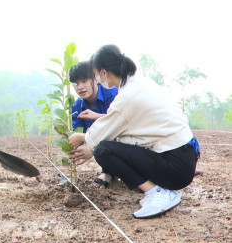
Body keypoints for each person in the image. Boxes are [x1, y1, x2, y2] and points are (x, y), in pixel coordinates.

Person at [68, 45, 200, 219]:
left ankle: (157, 193)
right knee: (109, 145)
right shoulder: (139, 83)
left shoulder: (126, 96)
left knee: (103, 150)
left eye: (96, 75)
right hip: (183, 156)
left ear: (104, 73)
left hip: (175, 166)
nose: (98, 80)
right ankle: (156, 190)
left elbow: (105, 130)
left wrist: (82, 138)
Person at [69, 61, 118, 188]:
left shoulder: (113, 94)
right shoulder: (76, 107)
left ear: (96, 79)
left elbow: (122, 123)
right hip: (104, 148)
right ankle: (109, 171)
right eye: (76, 83)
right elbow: (79, 134)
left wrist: (92, 148)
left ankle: (110, 172)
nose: (80, 87)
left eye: (84, 81)